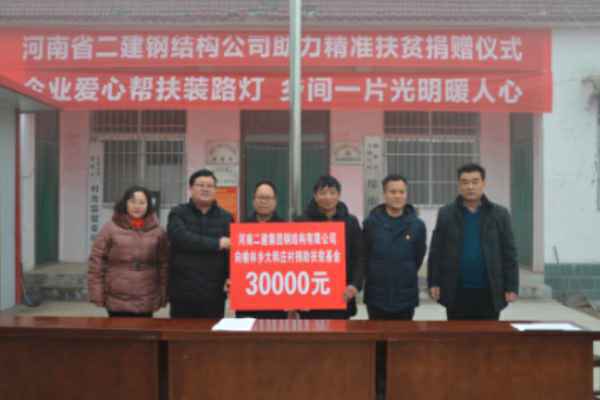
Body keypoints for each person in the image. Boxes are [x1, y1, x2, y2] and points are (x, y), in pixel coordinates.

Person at [428, 163, 519, 320]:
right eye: (465, 182)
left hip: (489, 291)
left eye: (475, 182)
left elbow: (509, 253)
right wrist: (434, 282)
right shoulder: (446, 214)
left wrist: (511, 286)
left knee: (488, 334)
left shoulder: (500, 214)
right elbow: (436, 251)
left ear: (483, 183)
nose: (470, 187)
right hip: (456, 291)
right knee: (457, 334)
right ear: (459, 185)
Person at [88, 185, 168, 318]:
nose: (137, 206)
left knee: (145, 330)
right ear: (125, 203)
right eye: (133, 201)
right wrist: (96, 292)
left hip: (146, 297)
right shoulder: (110, 228)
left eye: (142, 202)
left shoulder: (158, 231)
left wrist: (164, 293)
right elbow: (96, 261)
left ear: (148, 205)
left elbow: (164, 264)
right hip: (116, 297)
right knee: (118, 330)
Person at [296, 175, 365, 319]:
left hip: (342, 295)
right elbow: (294, 260)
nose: (328, 197)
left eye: (332, 193)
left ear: (339, 195)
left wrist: (355, 285)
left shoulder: (350, 222)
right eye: (323, 193)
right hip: (310, 298)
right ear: (315, 196)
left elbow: (360, 256)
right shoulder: (302, 222)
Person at [167, 169, 233, 318]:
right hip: (183, 291)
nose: (205, 189)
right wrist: (217, 243)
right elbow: (181, 238)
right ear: (191, 188)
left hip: (214, 292)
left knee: (212, 331)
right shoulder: (178, 213)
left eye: (210, 186)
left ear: (215, 190)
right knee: (180, 331)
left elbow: (231, 252)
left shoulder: (226, 217)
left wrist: (231, 276)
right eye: (200, 185)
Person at [363, 174, 427, 321]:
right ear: (384, 194)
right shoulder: (371, 223)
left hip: (405, 295)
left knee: (403, 335)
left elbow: (418, 257)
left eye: (401, 192)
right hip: (377, 296)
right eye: (392, 192)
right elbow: (364, 255)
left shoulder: (417, 225)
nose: (397, 196)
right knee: (376, 334)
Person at [235, 180, 287, 319]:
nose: (264, 201)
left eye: (268, 198)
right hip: (247, 296)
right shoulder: (242, 228)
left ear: (275, 201)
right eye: (260, 197)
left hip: (276, 298)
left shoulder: (286, 229)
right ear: (253, 200)